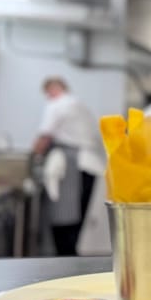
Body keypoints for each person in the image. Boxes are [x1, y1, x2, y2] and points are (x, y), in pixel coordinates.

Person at [33, 76, 105, 256]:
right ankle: (73, 259)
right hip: (91, 165)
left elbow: (45, 136)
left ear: (53, 89)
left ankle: (65, 259)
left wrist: (34, 156)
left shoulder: (57, 105)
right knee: (78, 219)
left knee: (64, 217)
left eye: (48, 92)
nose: (48, 97)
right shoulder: (80, 105)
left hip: (70, 164)